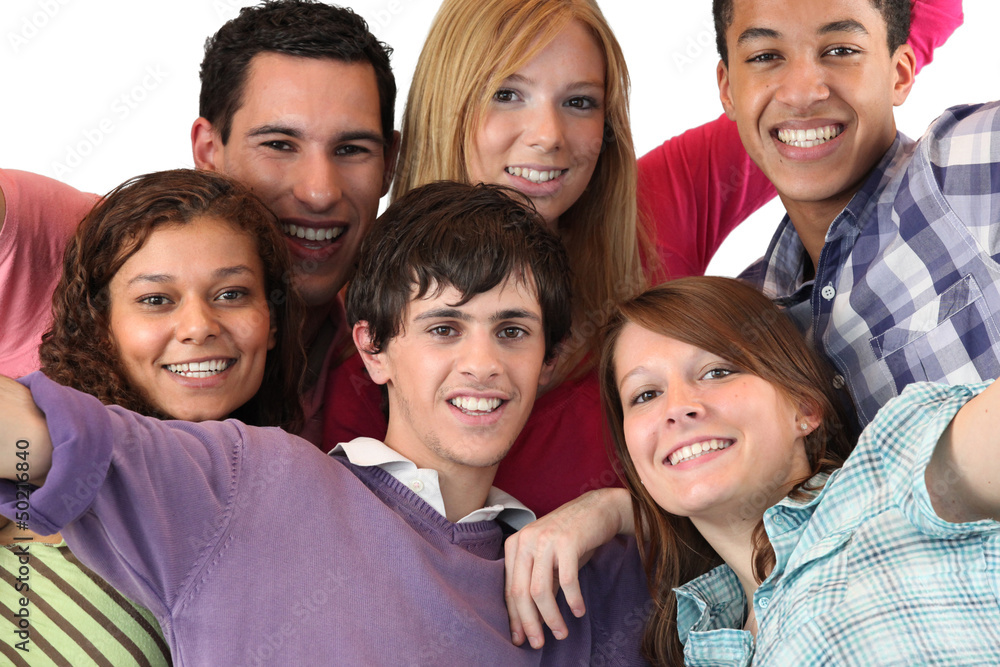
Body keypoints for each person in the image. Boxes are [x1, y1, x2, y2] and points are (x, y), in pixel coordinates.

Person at [323, 0, 962, 516]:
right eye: (506, 94)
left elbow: (828, 86)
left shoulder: (651, 211)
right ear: (448, 101)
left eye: (580, 102)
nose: (547, 136)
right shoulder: (380, 323)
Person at [0, 182, 648, 665]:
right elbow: (37, 435)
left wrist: (616, 509)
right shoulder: (249, 476)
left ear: (549, 358)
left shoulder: (584, 578)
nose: (482, 364)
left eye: (512, 331)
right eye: (444, 328)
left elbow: (739, 550)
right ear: (372, 348)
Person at [1, 0, 398, 444]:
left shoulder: (387, 358)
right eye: (279, 144)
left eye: (352, 149)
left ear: (389, 163)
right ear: (208, 150)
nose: (320, 191)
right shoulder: (80, 233)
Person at [602, 276, 1000, 665]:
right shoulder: (698, 642)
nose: (677, 408)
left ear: (804, 408)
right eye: (646, 395)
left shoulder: (894, 472)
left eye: (718, 372)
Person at [1, 169, 304, 665]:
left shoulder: (299, 494)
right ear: (102, 327)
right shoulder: (36, 451)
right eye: (155, 300)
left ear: (271, 321)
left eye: (231, 293)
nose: (198, 327)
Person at [714, 0, 1000, 428]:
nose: (802, 93)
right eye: (765, 57)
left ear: (899, 74)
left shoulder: (964, 167)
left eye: (841, 51)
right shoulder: (742, 324)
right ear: (728, 89)